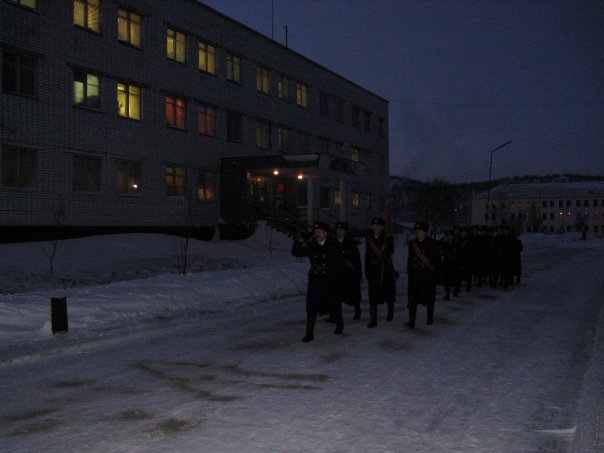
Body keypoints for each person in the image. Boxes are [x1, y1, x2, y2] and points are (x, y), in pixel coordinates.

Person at [291, 221, 343, 342]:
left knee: (334, 304)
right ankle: (309, 334)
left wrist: (338, 280)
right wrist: (298, 241)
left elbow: (339, 264)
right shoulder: (312, 245)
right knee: (311, 307)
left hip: (329, 280)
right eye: (315, 231)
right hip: (315, 280)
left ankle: (339, 324)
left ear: (325, 233)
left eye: (319, 231)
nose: (317, 233)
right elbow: (296, 253)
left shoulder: (333, 246)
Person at [407, 221, 440, 328]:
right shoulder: (413, 244)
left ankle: (430, 318)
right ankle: (411, 321)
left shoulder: (432, 243)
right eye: (417, 230)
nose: (418, 232)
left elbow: (436, 261)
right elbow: (410, 260)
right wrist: (410, 273)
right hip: (415, 276)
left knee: (429, 299)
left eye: (420, 230)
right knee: (412, 299)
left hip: (427, 276)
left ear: (425, 232)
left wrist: (435, 275)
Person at [364, 217, 396, 328]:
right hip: (373, 270)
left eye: (378, 226)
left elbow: (390, 251)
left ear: (382, 227)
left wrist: (388, 243)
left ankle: (390, 312)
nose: (375, 227)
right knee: (372, 296)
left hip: (385, 270)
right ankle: (373, 319)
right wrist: (366, 270)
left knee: (388, 294)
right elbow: (367, 255)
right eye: (374, 225)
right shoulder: (369, 239)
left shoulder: (387, 238)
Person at [334, 222, 362, 320]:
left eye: (341, 230)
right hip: (338, 273)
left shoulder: (351, 243)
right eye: (337, 230)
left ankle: (357, 311)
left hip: (349, 273)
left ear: (345, 232)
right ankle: (334, 315)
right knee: (336, 295)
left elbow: (356, 259)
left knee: (353, 294)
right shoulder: (334, 242)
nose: (339, 232)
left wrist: (358, 273)